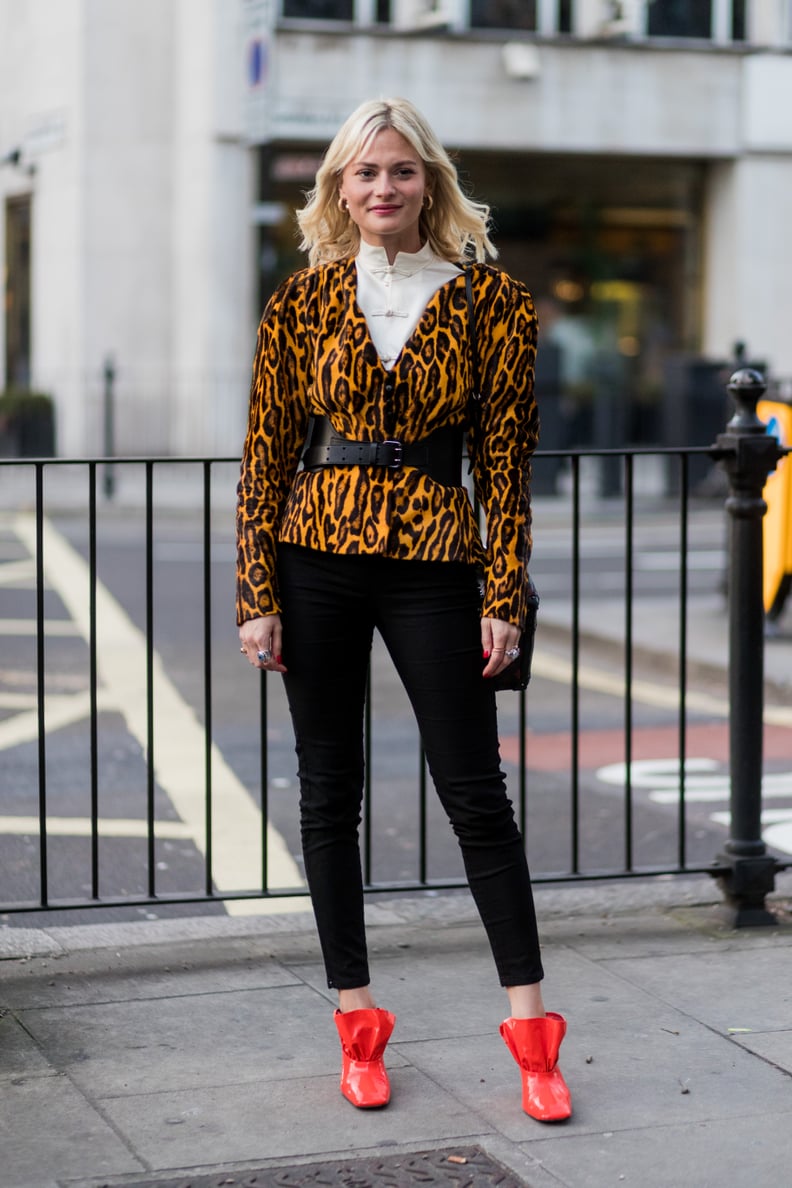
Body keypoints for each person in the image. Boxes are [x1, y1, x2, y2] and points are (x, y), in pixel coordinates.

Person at [236, 97, 571, 1123]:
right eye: (363, 173)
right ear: (340, 188)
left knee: (476, 793)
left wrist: (503, 597)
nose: (382, 189)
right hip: (314, 555)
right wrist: (257, 594)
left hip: (435, 559)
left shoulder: (494, 302)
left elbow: (507, 467)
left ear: (433, 182)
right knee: (328, 794)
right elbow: (264, 457)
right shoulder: (301, 302)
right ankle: (357, 1020)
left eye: (402, 171)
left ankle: (532, 1034)